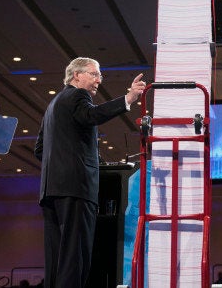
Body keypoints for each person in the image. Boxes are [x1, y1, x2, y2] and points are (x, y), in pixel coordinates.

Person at [34, 57, 146, 288]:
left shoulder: (53, 105)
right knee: (75, 257)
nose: (99, 80)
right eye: (94, 74)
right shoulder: (77, 95)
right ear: (77, 75)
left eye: (100, 75)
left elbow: (40, 150)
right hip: (76, 189)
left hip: (51, 191)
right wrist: (128, 98)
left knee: (56, 259)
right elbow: (91, 115)